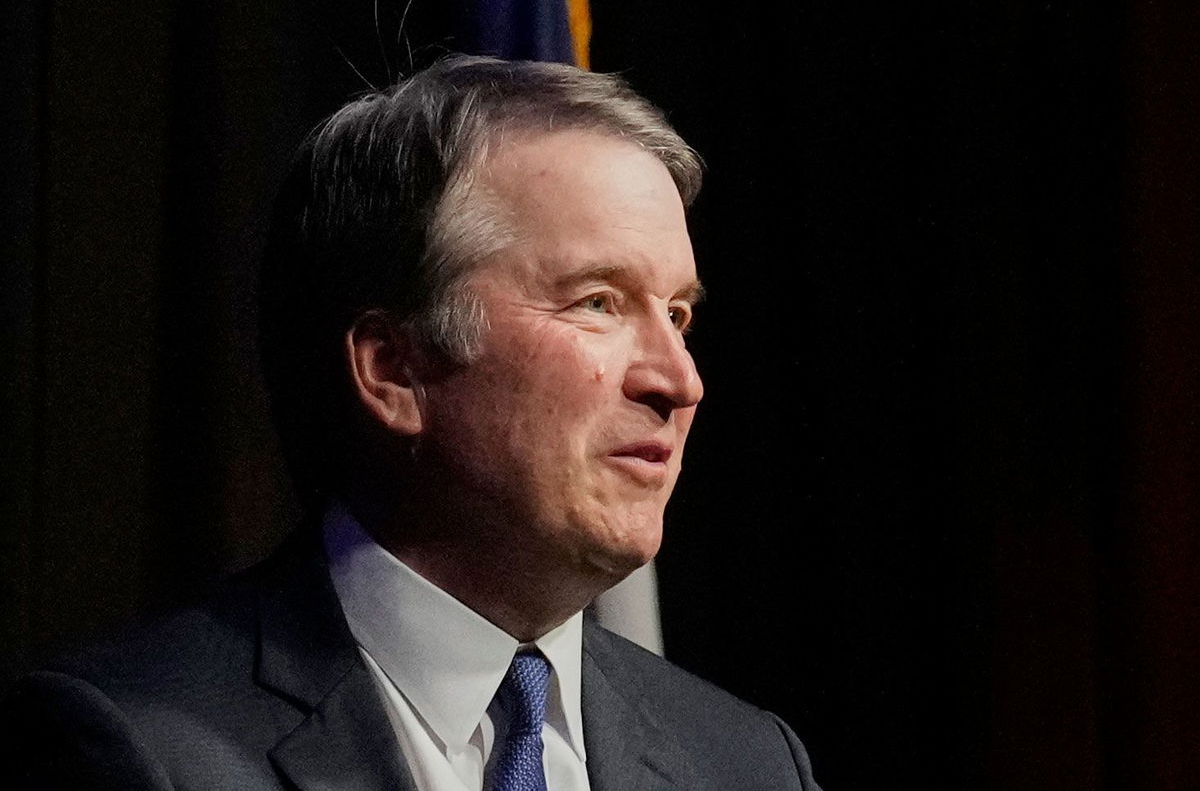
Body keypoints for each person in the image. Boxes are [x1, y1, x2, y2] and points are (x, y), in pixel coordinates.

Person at [2, 55, 822, 790]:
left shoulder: (744, 762)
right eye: (598, 303)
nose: (679, 380)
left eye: (678, 315)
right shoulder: (135, 750)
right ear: (394, 369)